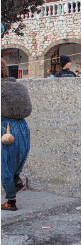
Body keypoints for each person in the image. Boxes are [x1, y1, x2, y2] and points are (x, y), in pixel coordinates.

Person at [1, 58, 32, 212]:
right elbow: (28, 109)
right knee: (14, 162)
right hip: (22, 128)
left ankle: (11, 201)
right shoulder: (20, 87)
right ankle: (16, 181)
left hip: (4, 129)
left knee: (4, 165)